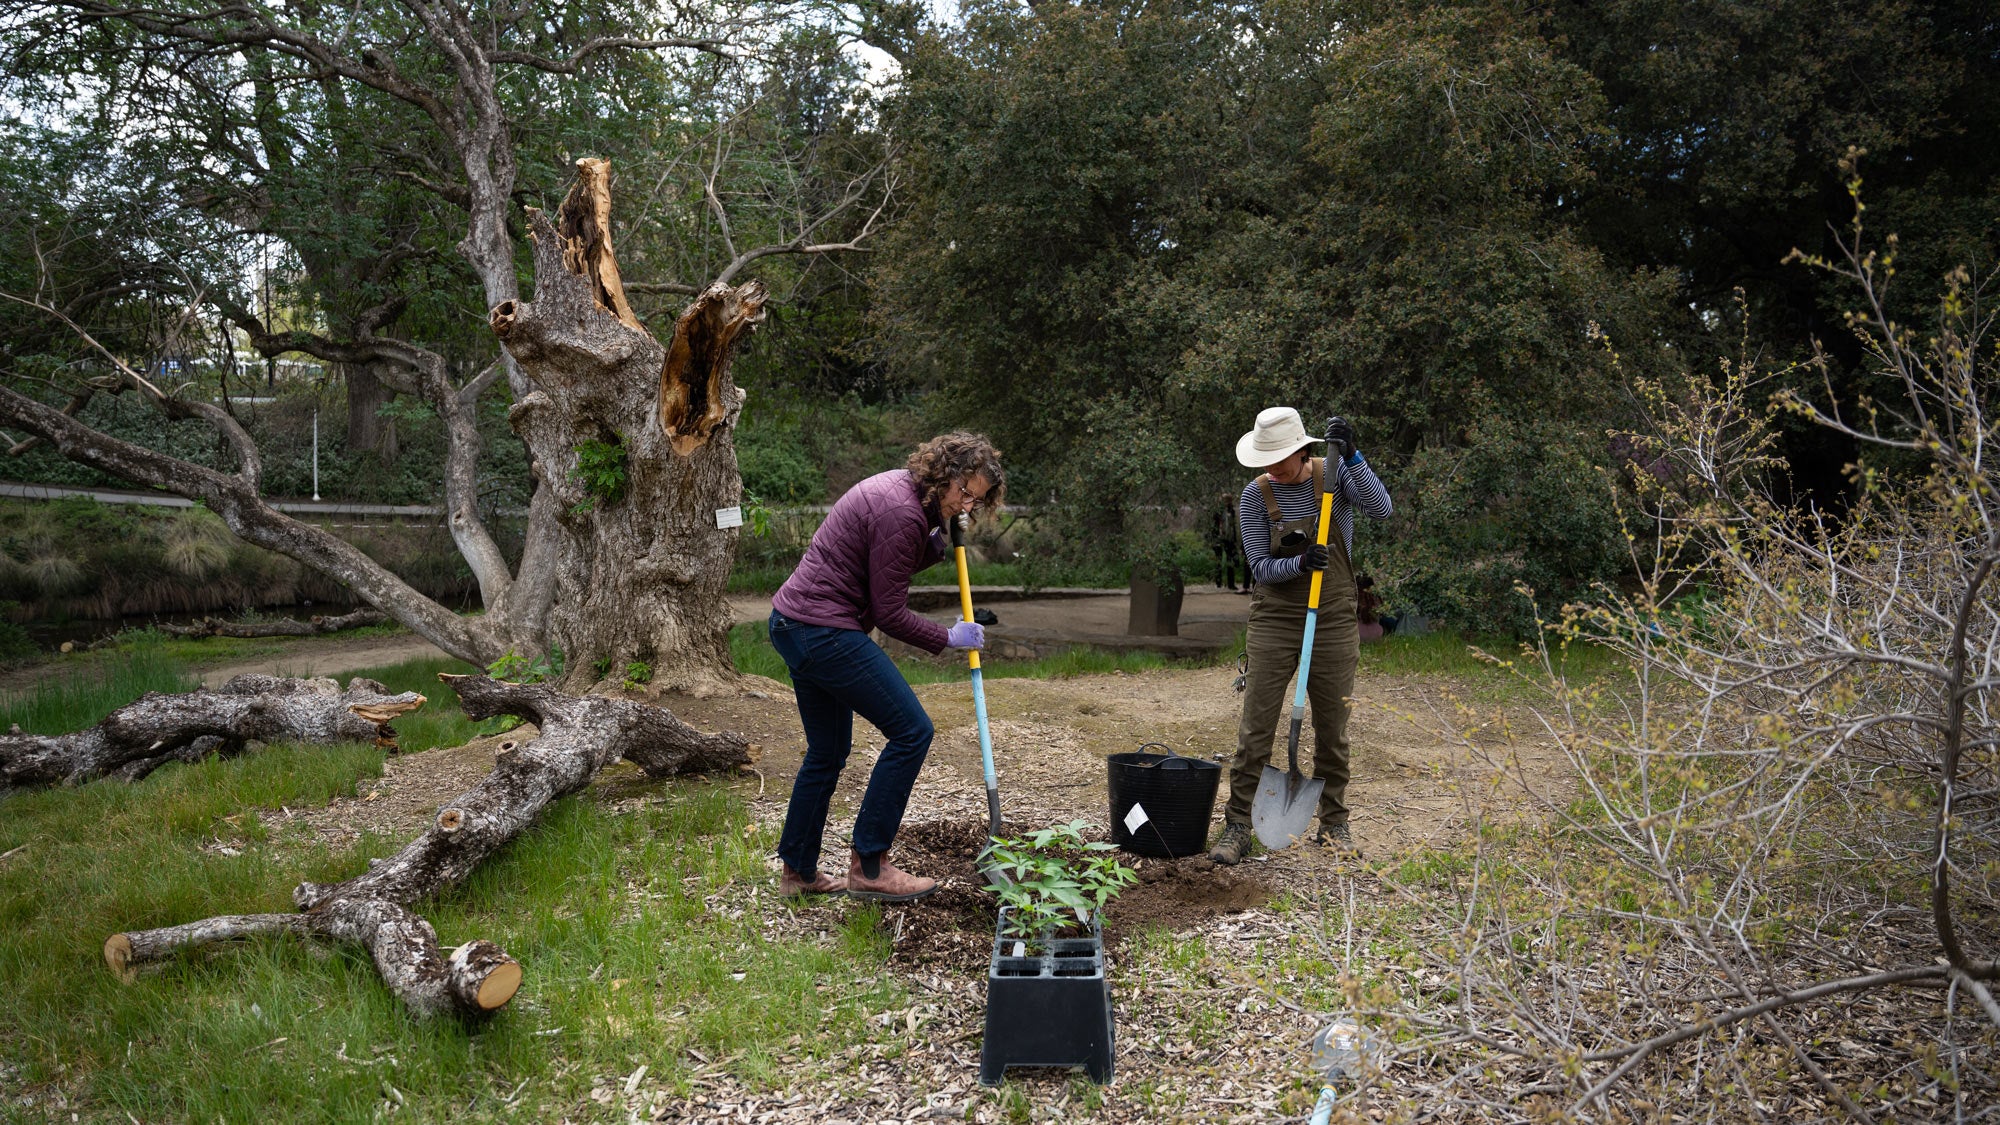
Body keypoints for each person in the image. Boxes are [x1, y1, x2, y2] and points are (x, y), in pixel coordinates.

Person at [768, 432, 1003, 901]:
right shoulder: (899, 511)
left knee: (827, 751)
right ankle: (870, 865)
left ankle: (797, 872)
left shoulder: (904, 495)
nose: (966, 506)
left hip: (793, 623)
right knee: (912, 730)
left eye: (975, 501)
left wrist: (939, 539)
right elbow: (890, 611)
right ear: (944, 474)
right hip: (824, 629)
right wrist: (948, 637)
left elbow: (889, 564)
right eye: (963, 493)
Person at [1210, 407, 1392, 864]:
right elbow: (1262, 569)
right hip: (1275, 616)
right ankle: (1237, 826)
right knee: (1256, 726)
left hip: (1331, 616)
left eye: (1279, 458)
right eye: (1264, 459)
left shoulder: (1334, 477)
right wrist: (1299, 563)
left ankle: (1334, 824)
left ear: (1302, 450)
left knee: (1333, 726)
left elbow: (1382, 509)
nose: (1271, 468)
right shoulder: (1257, 496)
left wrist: (1354, 457)